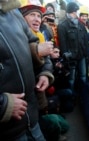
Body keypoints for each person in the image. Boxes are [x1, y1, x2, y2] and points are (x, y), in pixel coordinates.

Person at [0, 0, 52, 140]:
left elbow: (36, 46)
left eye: (39, 15)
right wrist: (3, 105)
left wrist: (45, 73)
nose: (36, 19)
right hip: (8, 132)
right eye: (32, 15)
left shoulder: (13, 13)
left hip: (33, 121)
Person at [57, 2, 89, 91]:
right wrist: (66, 55)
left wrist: (86, 54)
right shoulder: (62, 26)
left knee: (83, 76)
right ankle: (71, 98)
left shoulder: (81, 26)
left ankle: (83, 95)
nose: (78, 13)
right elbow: (63, 44)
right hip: (71, 58)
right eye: (77, 11)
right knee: (71, 79)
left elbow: (85, 41)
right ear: (73, 12)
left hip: (81, 56)